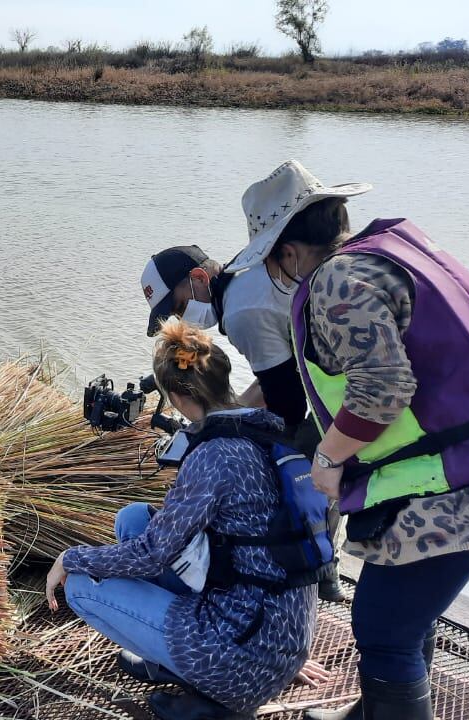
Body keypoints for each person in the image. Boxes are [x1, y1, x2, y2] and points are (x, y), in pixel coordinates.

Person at [231, 160, 469, 720]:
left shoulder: (333, 281)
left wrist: (327, 459)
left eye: (277, 262)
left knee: (383, 626)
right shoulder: (393, 252)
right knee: (403, 611)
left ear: (289, 251)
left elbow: (382, 388)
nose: (281, 273)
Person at [44, 319, 325, 720]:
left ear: (175, 394)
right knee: (134, 520)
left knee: (81, 588)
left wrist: (71, 558)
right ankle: (176, 659)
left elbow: (151, 556)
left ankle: (211, 692)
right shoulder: (264, 430)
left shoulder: (215, 455)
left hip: (240, 659)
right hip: (277, 633)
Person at [141, 176, 368, 604]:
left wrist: (224, 441)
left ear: (196, 279)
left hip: (345, 400)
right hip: (343, 389)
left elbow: (286, 405)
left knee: (288, 466)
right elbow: (278, 376)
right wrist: (226, 416)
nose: (180, 320)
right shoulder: (246, 279)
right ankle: (323, 568)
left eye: (174, 306)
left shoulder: (243, 309)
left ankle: (310, 573)